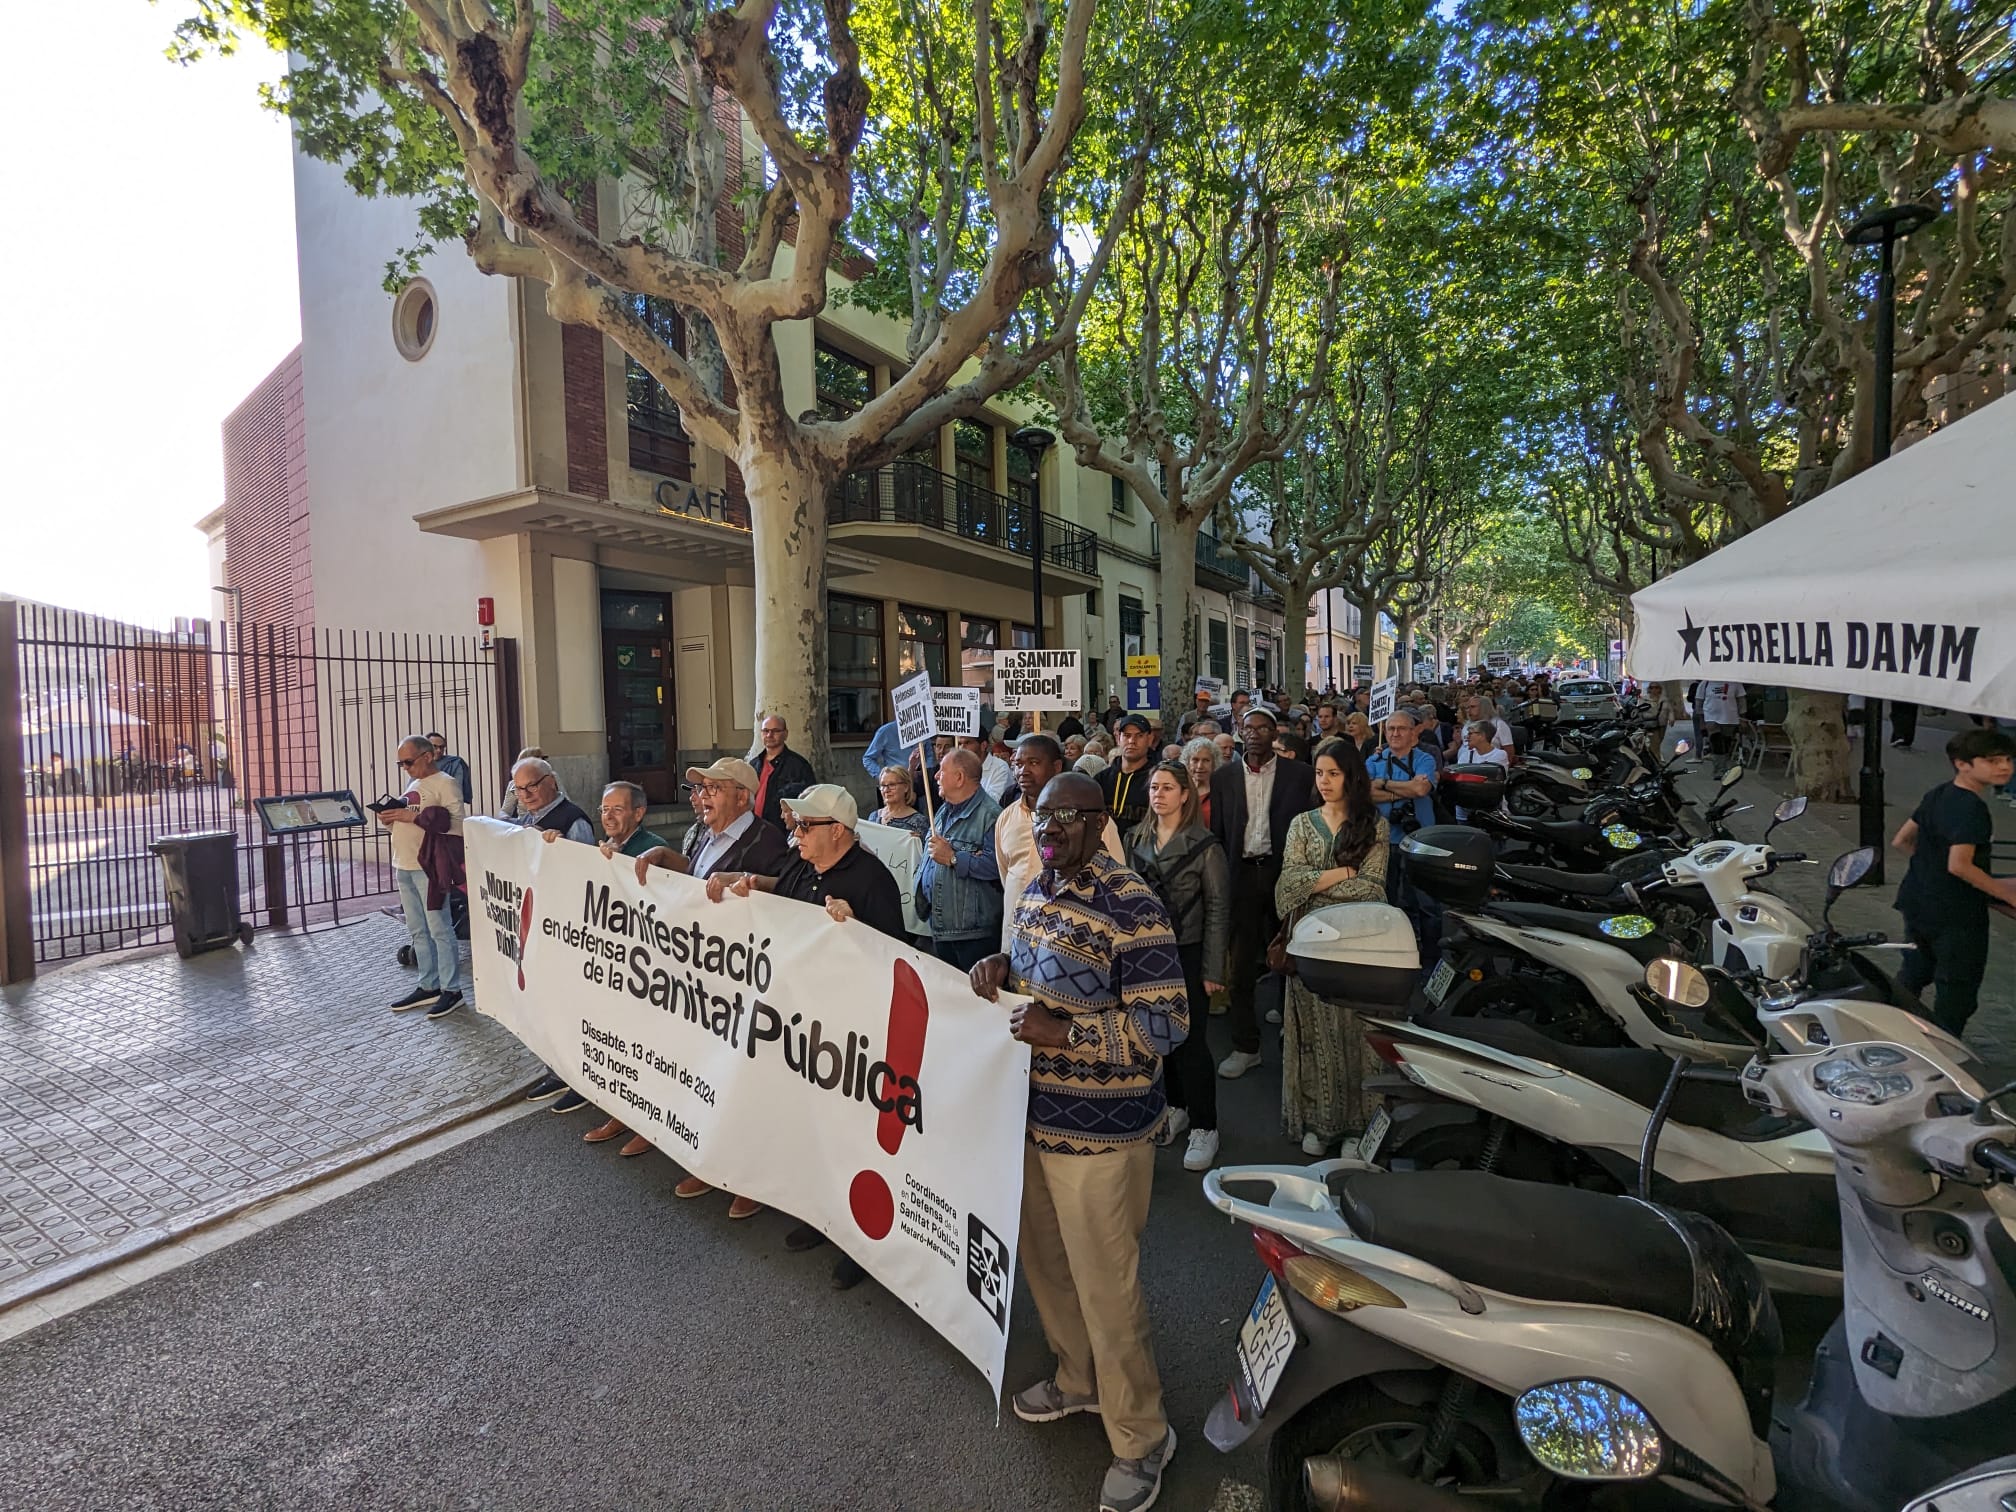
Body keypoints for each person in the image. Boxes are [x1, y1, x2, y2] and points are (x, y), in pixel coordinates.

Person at [966, 773, 1186, 1512]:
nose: (1048, 825)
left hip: (1102, 1133)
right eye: (1039, 814)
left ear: (1099, 822)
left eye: (1065, 815)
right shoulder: (1033, 889)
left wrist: (1069, 1034)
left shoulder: (1132, 905)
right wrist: (1000, 971)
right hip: (1031, 1119)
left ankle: (1142, 1437)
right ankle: (1077, 1380)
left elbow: (1166, 1028)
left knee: (1107, 1288)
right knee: (1050, 1268)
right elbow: (1031, 984)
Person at [706, 784, 907, 1287]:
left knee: (851, 1135)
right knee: (813, 1125)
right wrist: (747, 880)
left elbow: (897, 963)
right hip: (803, 1024)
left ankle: (860, 1244)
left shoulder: (871, 881)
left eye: (804, 827)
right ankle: (823, 1215)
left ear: (837, 831)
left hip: (851, 1035)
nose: (794, 835)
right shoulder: (801, 865)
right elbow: (783, 889)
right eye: (794, 826)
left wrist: (856, 929)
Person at [632, 757, 788, 1220]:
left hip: (744, 981)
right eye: (699, 791)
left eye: (712, 790)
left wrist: (749, 884)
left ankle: (749, 1176)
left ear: (742, 796)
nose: (701, 798)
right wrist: (668, 860)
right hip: (700, 978)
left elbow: (790, 896)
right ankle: (707, 1155)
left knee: (741, 1080)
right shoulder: (701, 834)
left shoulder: (768, 840)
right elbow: (701, 878)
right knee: (703, 1072)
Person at [1277, 740, 1390, 1153]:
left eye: (1334, 773)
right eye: (1320, 773)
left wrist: (1316, 883)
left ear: (1351, 776)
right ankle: (1318, 1124)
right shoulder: (1301, 825)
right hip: (1309, 945)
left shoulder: (1374, 825)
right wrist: (1343, 871)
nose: (1324, 782)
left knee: (1354, 1034)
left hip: (1358, 948)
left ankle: (1356, 1128)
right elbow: (1287, 886)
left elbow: (1373, 889)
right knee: (1314, 1037)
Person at [1127, 762, 1228, 1171]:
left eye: (1168, 787)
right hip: (1149, 955)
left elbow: (1219, 909)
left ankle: (1206, 1126)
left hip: (1189, 951)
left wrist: (1213, 969)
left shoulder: (1206, 846)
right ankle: (1175, 1106)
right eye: (1154, 787)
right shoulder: (1136, 838)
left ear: (1185, 794)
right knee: (1157, 1037)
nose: (1159, 794)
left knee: (1191, 1042)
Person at [563, 782, 672, 1155]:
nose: (608, 816)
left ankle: (648, 1123)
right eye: (604, 809)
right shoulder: (604, 847)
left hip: (644, 970)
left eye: (617, 810)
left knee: (644, 1046)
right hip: (613, 965)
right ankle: (621, 1114)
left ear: (638, 813)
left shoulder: (651, 849)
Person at [1208, 707, 1316, 1079]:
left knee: (1292, 952)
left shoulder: (1300, 776)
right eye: (1247, 727)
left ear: (1275, 733)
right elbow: (1219, 834)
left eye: (1262, 728)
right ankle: (1245, 1045)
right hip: (1241, 876)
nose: (1253, 734)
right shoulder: (1223, 778)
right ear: (1239, 732)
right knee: (1240, 964)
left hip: (1284, 873)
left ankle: (1294, 1024)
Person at [1890, 726, 2016, 1037]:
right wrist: (2006, 893)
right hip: (1955, 915)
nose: (2004, 767)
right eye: (1992, 760)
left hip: (1918, 902)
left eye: (2008, 760)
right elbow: (1959, 866)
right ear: (1962, 763)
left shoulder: (1939, 793)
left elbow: (1902, 840)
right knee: (1956, 992)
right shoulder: (1972, 809)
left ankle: (1893, 1033)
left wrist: (1930, 870)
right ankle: (1945, 1049)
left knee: (1914, 973)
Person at [997, 734, 1125, 954]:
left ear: (1056, 766)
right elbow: (1005, 873)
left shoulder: (1092, 820)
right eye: (1018, 764)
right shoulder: (1006, 818)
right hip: (1017, 941)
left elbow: (1116, 879)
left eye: (1034, 763)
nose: (1023, 771)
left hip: (1073, 945)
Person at [380, 734, 468, 1019]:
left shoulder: (446, 783)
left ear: (427, 756)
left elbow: (457, 826)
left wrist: (411, 817)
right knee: (417, 929)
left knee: (439, 928)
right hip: (403, 864)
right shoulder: (414, 784)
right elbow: (408, 819)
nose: (405, 767)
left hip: (428, 866)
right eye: (400, 763)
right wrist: (390, 819)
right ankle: (428, 984)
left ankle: (451, 989)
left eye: (408, 761)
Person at [916, 748, 1003, 970]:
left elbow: (998, 867)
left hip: (972, 935)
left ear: (959, 778)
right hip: (940, 928)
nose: (935, 775)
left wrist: (954, 858)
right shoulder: (944, 811)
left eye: (942, 771)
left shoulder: (990, 816)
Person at [1368, 710, 1442, 950]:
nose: (1395, 733)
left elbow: (1421, 790)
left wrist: (1384, 784)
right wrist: (1403, 788)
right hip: (1384, 839)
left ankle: (1431, 957)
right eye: (1391, 729)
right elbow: (1366, 793)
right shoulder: (1374, 760)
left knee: (1425, 903)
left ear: (1413, 734)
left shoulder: (1425, 759)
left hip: (1421, 839)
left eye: (1401, 728)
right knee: (1386, 900)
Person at [750, 713, 816, 827]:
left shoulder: (799, 766)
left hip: (782, 830)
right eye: (765, 730)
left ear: (785, 734)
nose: (769, 735)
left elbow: (809, 801)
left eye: (775, 731)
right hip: (754, 828)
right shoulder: (753, 765)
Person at [1097, 713, 1157, 832]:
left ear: (1150, 739)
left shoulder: (1157, 780)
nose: (1132, 741)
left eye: (1139, 736)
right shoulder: (1101, 779)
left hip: (1143, 848)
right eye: (1127, 735)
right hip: (1105, 848)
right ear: (1118, 738)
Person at [1452, 720, 1510, 819]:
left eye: (1470, 733)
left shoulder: (1500, 755)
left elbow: (1492, 780)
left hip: (1490, 811)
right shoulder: (1465, 754)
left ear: (1482, 736)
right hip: (1464, 810)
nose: (1467, 737)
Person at [861, 716, 935, 783]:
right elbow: (868, 758)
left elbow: (928, 755)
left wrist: (926, 773)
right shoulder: (885, 731)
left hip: (919, 783)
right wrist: (882, 776)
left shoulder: (923, 730)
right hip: (895, 783)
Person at [867, 765, 929, 836]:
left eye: (892, 785)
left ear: (906, 787)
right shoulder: (873, 817)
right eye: (883, 785)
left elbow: (925, 846)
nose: (886, 790)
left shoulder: (919, 821)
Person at [961, 733, 1016, 804]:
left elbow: (994, 802)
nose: (962, 748)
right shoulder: (961, 767)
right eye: (960, 743)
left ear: (983, 745)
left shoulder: (1000, 767)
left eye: (967, 743)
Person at [1699, 680, 1745, 759]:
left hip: (1730, 718)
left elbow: (1742, 701)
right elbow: (1699, 702)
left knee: (1726, 743)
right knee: (1716, 741)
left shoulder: (1735, 683)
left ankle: (1725, 763)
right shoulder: (1705, 683)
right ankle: (1719, 766)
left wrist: (1742, 718)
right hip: (1711, 717)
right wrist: (1701, 720)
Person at [426, 731, 474, 806]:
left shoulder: (455, 763)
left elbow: (456, 790)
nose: (439, 750)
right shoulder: (419, 764)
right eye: (434, 747)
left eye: (441, 747)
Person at [1181, 737, 1219, 828]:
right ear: (1187, 762)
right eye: (1195, 760)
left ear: (1214, 763)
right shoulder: (1179, 789)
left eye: (1206, 760)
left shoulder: (1221, 792)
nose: (1200, 766)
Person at [498, 745, 545, 818]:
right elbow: (505, 810)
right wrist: (505, 819)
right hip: (523, 823)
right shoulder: (513, 784)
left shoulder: (549, 778)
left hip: (546, 820)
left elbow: (564, 800)